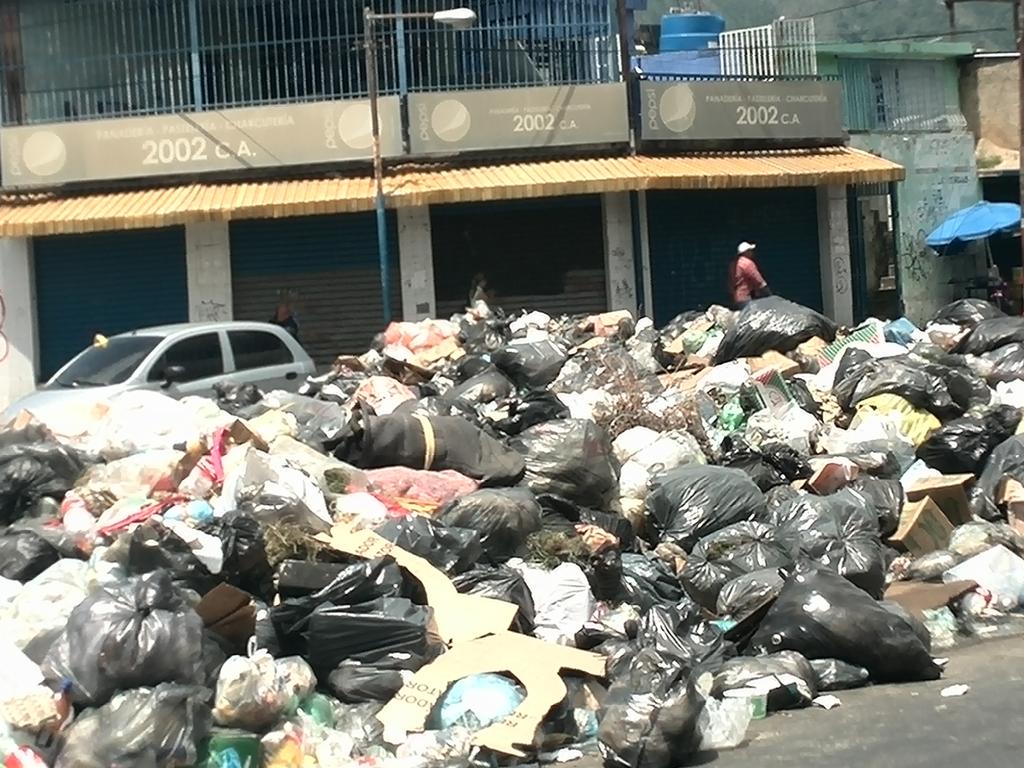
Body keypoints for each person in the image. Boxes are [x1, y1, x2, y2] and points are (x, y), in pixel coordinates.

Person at [728, 241, 771, 309]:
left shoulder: (733, 264)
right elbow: (758, 279)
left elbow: (730, 282)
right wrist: (769, 294)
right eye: (750, 251)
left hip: (738, 298)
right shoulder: (747, 263)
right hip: (747, 298)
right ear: (746, 252)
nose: (752, 252)